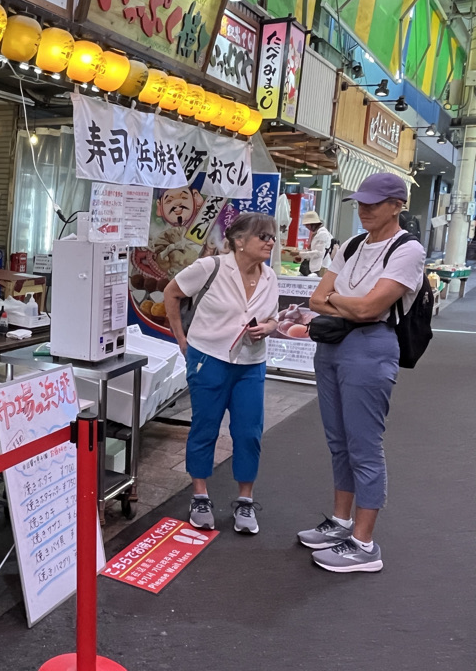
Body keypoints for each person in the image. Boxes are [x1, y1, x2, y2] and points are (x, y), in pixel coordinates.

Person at [302, 173, 425, 573]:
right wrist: (348, 302)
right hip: (333, 346)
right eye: (361, 202)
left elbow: (373, 310)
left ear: (397, 205)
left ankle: (365, 543)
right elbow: (315, 298)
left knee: (364, 446)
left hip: (372, 347)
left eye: (375, 202)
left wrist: (339, 300)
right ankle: (341, 522)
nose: (365, 209)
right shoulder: (353, 243)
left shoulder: (408, 250)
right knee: (338, 440)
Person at [163, 213, 280, 534]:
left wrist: (268, 328)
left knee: (249, 432)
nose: (270, 242)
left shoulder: (270, 277)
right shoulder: (210, 268)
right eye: (263, 236)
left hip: (252, 363)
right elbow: (171, 293)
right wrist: (182, 339)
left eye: (272, 236)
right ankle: (199, 494)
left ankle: (245, 500)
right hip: (208, 357)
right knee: (205, 428)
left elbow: (272, 318)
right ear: (239, 241)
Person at [292, 210, 332, 276]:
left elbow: (318, 253)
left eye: (307, 225)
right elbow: (313, 250)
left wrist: (299, 253)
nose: (306, 227)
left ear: (313, 224)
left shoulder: (323, 234)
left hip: (320, 268)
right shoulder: (317, 233)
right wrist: (301, 255)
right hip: (315, 267)